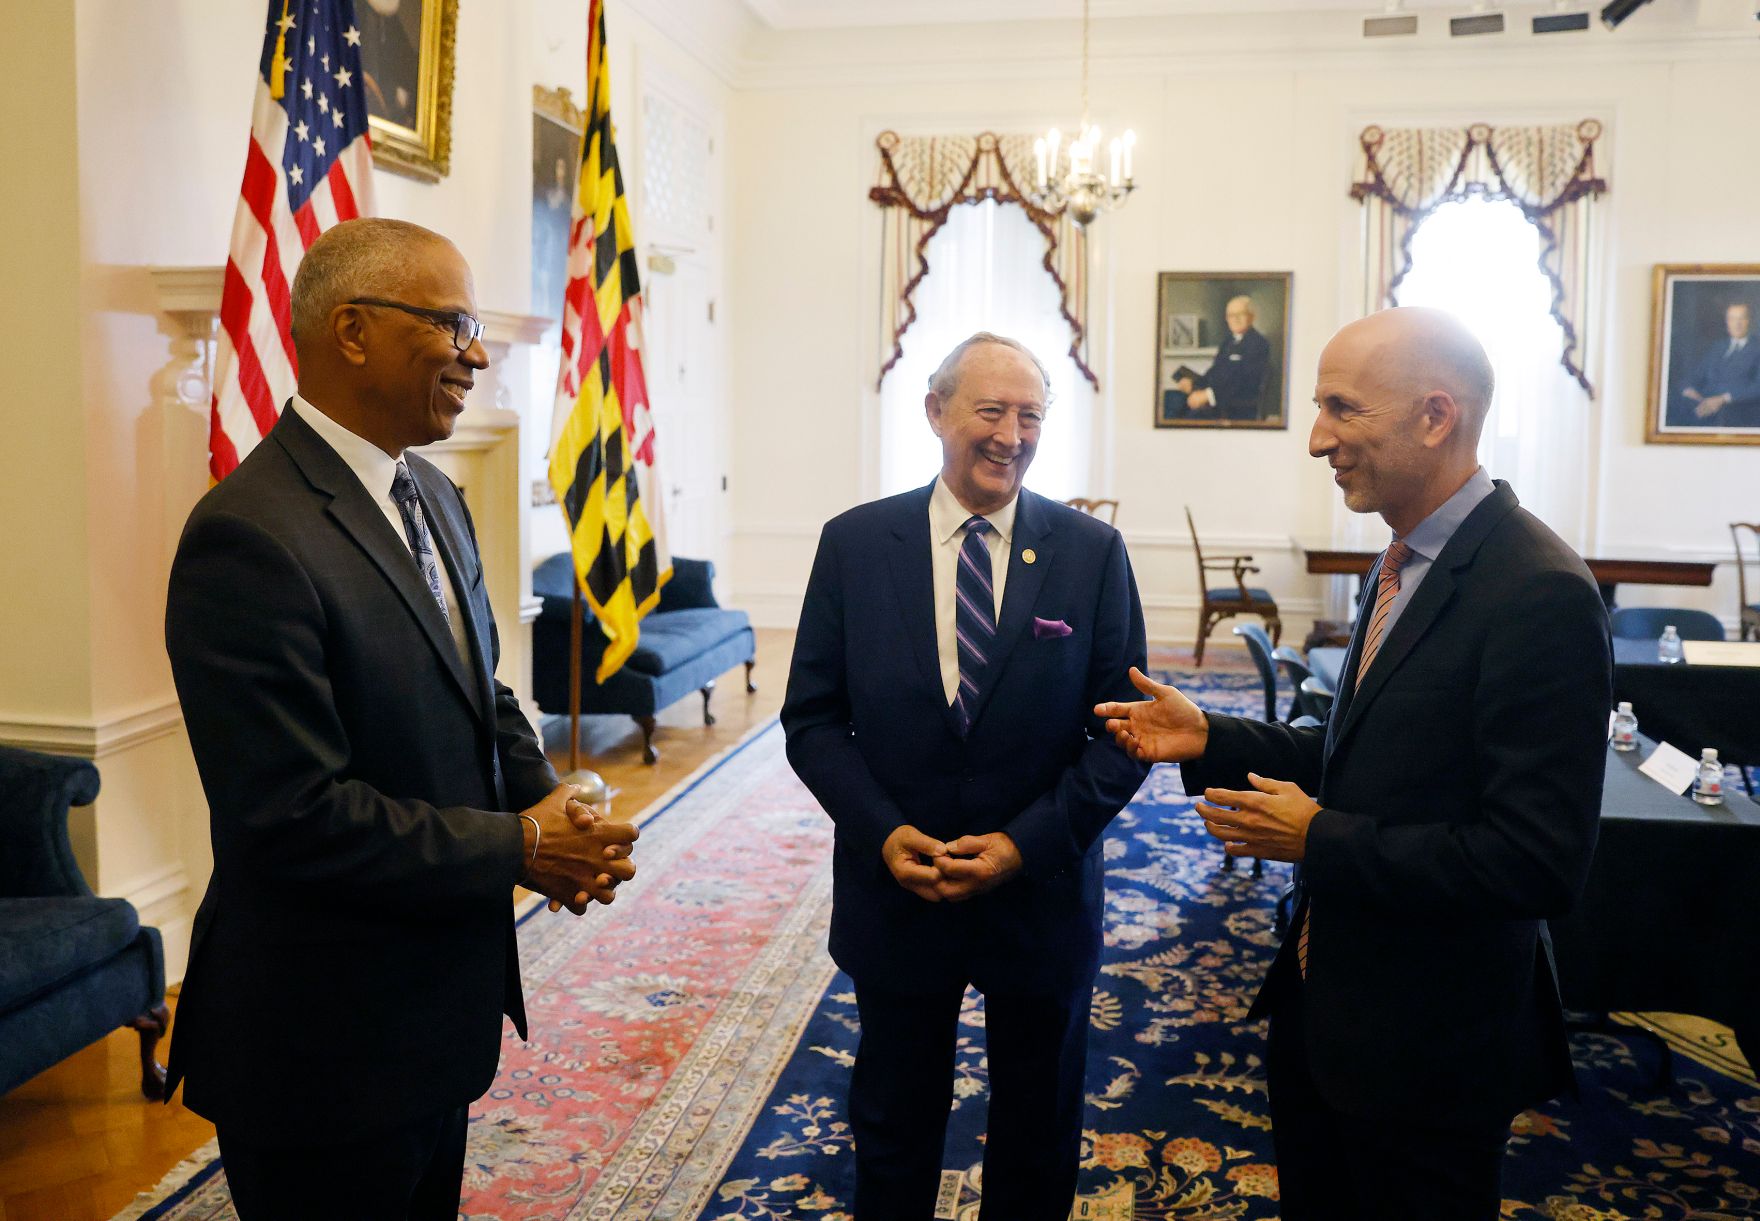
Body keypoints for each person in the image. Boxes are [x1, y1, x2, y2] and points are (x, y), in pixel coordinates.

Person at [164, 218, 639, 1219]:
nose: (477, 354)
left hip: (433, 1019)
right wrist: (520, 844)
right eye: (453, 324)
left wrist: (552, 801)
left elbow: (479, 691)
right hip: (321, 1044)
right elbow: (292, 817)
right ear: (352, 331)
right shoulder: (247, 536)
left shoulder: (435, 493)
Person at [1099, 307, 1611, 1219]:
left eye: (1342, 408)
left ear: (1435, 416)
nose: (1316, 438)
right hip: (1329, 1008)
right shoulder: (1400, 562)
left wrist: (1319, 840)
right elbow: (1364, 755)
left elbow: (1536, 861)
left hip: (1431, 1045)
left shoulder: (1539, 591)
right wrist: (1211, 735)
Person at [783, 332, 1151, 1219]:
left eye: (1032, 415)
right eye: (991, 410)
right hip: (900, 890)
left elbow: (1124, 736)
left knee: (1039, 1128)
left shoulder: (1093, 552)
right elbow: (814, 720)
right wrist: (883, 832)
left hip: (1040, 892)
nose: (1011, 436)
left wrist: (1023, 847)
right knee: (893, 1121)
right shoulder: (855, 544)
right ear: (935, 411)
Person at [1168, 295, 1272, 421]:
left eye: (1240, 314)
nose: (1235, 319)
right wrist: (1193, 384)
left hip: (1236, 411)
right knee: (1170, 400)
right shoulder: (1227, 342)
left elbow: (1245, 384)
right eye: (1231, 315)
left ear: (1252, 317)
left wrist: (1207, 395)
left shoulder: (1259, 344)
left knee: (1183, 416)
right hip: (1217, 404)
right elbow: (1215, 374)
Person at [1674, 301, 1760, 428]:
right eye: (1732, 319)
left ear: (1749, 321)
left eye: (1741, 318)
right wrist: (1689, 390)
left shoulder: (1757, 348)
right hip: (1703, 407)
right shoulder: (1718, 347)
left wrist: (1723, 399)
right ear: (1727, 322)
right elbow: (1694, 376)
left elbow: (1757, 387)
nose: (1737, 324)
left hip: (1736, 411)